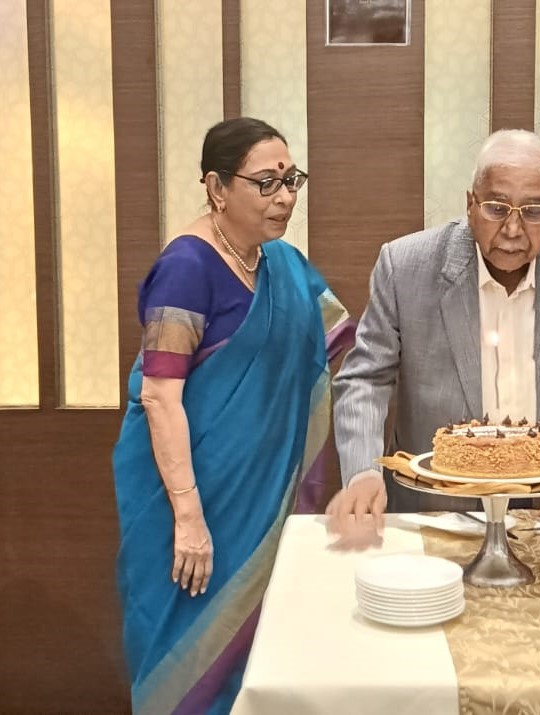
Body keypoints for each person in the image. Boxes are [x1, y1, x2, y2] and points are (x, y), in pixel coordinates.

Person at [112, 117, 354, 714]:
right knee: (188, 658)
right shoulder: (187, 267)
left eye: (291, 180)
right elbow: (159, 395)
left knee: (262, 657)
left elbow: (337, 350)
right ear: (217, 188)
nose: (286, 197)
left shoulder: (284, 267)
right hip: (188, 505)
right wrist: (190, 518)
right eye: (266, 183)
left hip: (259, 504)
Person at [327, 129, 540, 540]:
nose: (512, 229)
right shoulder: (405, 266)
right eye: (496, 208)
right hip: (437, 515)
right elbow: (365, 379)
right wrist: (364, 472)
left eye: (534, 211)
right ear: (470, 203)